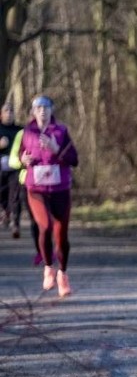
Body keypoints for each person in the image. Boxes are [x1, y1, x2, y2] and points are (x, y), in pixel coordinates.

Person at [9, 95, 79, 297]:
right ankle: (48, 266)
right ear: (32, 111)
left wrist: (57, 149)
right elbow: (17, 158)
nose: (42, 111)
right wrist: (23, 160)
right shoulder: (26, 133)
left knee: (61, 236)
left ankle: (62, 274)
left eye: (46, 107)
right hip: (36, 189)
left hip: (60, 189)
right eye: (38, 108)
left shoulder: (61, 131)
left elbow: (74, 159)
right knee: (45, 226)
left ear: (52, 110)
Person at [0, 102, 23, 238]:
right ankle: (5, 212)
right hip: (0, 168)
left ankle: (16, 224)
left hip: (15, 168)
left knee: (16, 196)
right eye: (6, 111)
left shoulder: (19, 130)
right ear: (1, 114)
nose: (9, 113)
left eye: (11, 111)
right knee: (2, 194)